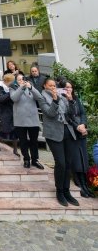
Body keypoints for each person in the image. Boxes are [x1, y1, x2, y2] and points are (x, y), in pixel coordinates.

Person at [39, 78, 82, 207]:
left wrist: (70, 99)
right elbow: (50, 113)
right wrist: (55, 99)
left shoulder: (61, 95)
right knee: (61, 163)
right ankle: (59, 191)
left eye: (54, 85)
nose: (53, 87)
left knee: (68, 163)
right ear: (45, 86)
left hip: (67, 130)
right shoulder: (42, 97)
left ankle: (67, 191)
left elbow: (71, 113)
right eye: (50, 85)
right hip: (53, 134)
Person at [63, 80, 93, 198]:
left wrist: (83, 125)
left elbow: (83, 114)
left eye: (70, 87)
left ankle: (85, 185)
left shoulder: (76, 99)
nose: (68, 89)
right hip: (72, 133)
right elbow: (68, 117)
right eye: (66, 87)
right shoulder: (63, 100)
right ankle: (79, 184)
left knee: (83, 158)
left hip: (81, 131)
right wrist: (77, 127)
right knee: (76, 159)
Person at [10, 73, 44, 170]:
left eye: (23, 79)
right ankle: (26, 159)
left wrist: (31, 88)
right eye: (19, 79)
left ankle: (35, 159)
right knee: (23, 141)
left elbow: (39, 97)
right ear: (16, 81)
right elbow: (14, 98)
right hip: (20, 120)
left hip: (33, 120)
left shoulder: (31, 87)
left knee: (34, 141)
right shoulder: (14, 88)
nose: (22, 81)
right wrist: (21, 88)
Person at [0, 73, 19, 156]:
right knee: (4, 127)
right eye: (12, 81)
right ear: (7, 81)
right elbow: (1, 99)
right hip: (4, 110)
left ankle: (15, 149)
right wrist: (10, 93)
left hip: (14, 109)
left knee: (15, 129)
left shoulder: (13, 87)